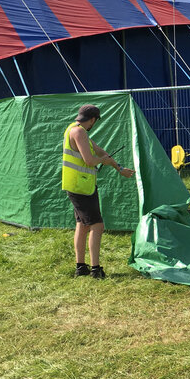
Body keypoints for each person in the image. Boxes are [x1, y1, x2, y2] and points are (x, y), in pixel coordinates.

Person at [62, 104, 135, 279]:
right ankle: (96, 269)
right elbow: (89, 160)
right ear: (93, 119)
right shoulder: (79, 132)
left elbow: (99, 151)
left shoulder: (73, 129)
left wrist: (118, 167)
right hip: (81, 187)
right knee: (97, 225)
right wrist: (105, 161)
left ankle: (81, 267)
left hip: (78, 185)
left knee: (82, 224)